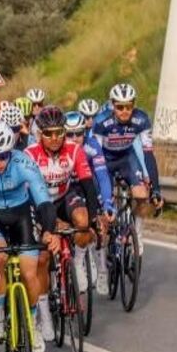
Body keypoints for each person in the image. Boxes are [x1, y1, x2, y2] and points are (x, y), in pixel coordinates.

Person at [0, 123, 61, 352]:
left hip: (21, 215)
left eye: (2, 156)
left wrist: (49, 230)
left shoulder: (24, 163)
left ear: (11, 151)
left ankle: (33, 322)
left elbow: (43, 200)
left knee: (29, 271)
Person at [25, 106, 108, 325]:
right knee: (42, 258)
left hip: (63, 197)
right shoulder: (29, 155)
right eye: (48, 133)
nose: (55, 138)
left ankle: (78, 262)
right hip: (39, 204)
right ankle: (44, 314)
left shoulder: (74, 150)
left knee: (82, 221)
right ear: (39, 134)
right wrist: (49, 225)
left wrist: (93, 218)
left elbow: (88, 186)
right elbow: (30, 197)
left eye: (59, 132)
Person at [91, 83, 165, 235]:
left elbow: (148, 154)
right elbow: (95, 159)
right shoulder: (100, 122)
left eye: (129, 107)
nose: (125, 111)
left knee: (142, 195)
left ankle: (137, 231)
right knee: (106, 204)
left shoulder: (142, 119)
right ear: (112, 105)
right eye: (120, 107)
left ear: (134, 105)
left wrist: (156, 188)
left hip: (126, 157)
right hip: (105, 160)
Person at [63, 110, 115, 295]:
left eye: (79, 133)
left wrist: (107, 202)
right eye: (70, 134)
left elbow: (102, 176)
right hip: (70, 191)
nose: (75, 138)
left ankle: (102, 269)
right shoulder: (60, 149)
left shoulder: (91, 146)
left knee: (101, 226)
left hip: (90, 187)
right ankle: (79, 258)